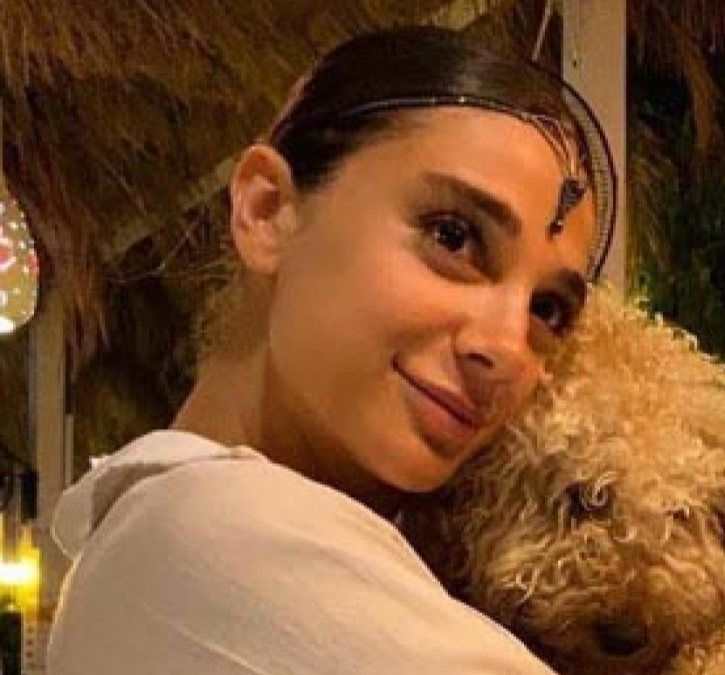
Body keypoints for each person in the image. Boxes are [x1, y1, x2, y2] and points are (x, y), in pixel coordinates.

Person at [46, 25, 615, 674]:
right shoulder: (215, 531)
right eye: (453, 237)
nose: (507, 348)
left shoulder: (144, 541)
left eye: (548, 309)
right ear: (267, 211)